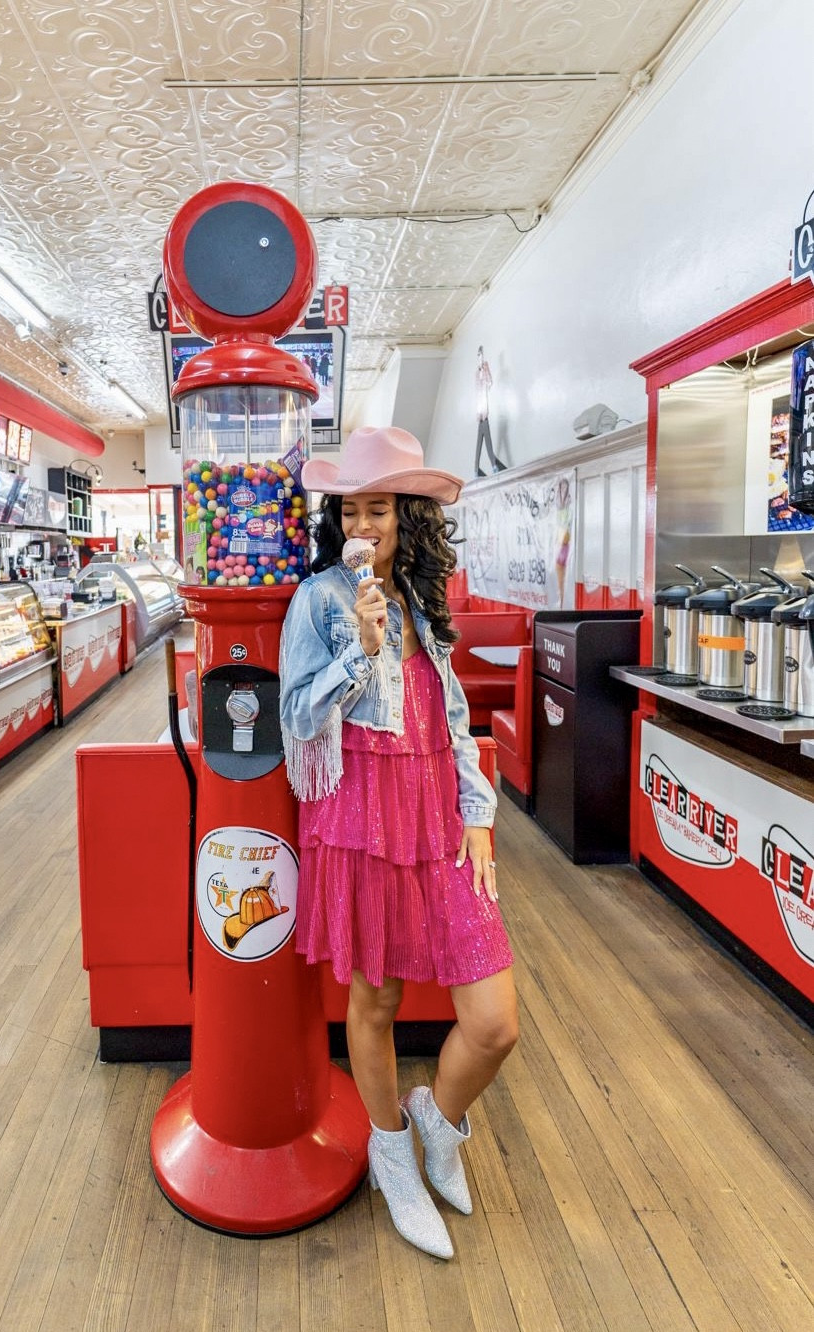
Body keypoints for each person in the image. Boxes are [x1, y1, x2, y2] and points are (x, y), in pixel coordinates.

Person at [279, 426, 518, 1260]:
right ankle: (390, 1149)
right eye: (351, 509)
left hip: (439, 819)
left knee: (494, 1024)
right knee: (374, 1003)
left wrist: (479, 816)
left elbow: (453, 725)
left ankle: (440, 1123)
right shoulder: (318, 600)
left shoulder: (422, 600)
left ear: (407, 516)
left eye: (379, 508)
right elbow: (295, 721)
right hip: (359, 819)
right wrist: (361, 650)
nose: (364, 524)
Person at [474, 346, 505, 477]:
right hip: (480, 413)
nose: (480, 359)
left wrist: (485, 371)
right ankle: (479, 468)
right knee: (481, 443)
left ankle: (490, 466)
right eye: (478, 356)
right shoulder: (477, 373)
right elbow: (477, 389)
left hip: (484, 411)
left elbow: (489, 383)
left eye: (481, 355)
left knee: (486, 442)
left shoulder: (484, 370)